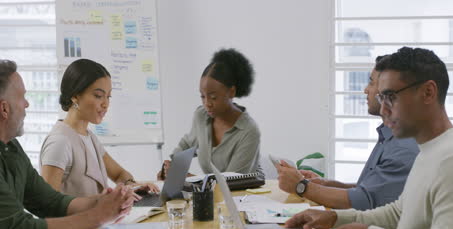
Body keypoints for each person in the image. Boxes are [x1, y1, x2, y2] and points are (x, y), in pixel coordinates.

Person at [286, 47, 453, 229]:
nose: (383, 110)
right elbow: (398, 213)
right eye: (381, 98)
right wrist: (334, 218)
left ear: (428, 92)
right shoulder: (429, 150)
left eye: (390, 97)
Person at [0, 60, 135, 229]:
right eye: (23, 97)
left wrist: (100, 202)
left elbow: (51, 202)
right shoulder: (60, 140)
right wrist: (98, 214)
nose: (27, 104)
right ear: (4, 108)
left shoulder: (12, 147)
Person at [276, 56, 419, 210]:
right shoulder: (389, 136)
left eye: (371, 83)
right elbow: (373, 190)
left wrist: (302, 186)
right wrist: (326, 184)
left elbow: (365, 201)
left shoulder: (403, 148)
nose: (366, 89)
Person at [39, 59, 158, 197]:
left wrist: (134, 185)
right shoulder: (59, 142)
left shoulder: (88, 136)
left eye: (108, 97)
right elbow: (48, 205)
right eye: (98, 96)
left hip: (102, 218)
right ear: (75, 96)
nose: (106, 104)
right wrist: (106, 201)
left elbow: (119, 174)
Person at [159, 48, 262, 179]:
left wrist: (186, 177)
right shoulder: (201, 116)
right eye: (203, 96)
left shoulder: (249, 131)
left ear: (231, 92)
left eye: (213, 97)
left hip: (242, 197)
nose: (207, 103)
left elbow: (232, 182)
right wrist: (171, 167)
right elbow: (187, 144)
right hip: (210, 196)